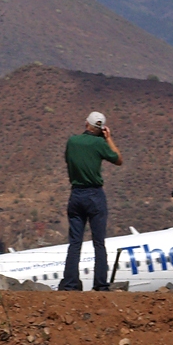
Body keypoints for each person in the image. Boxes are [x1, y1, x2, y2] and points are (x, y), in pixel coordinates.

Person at [59, 111, 123, 291]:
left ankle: (71, 283)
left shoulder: (72, 141)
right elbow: (118, 159)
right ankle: (100, 285)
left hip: (76, 193)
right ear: (101, 129)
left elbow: (68, 160)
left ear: (86, 123)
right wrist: (108, 139)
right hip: (95, 195)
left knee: (75, 242)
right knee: (98, 242)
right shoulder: (100, 143)